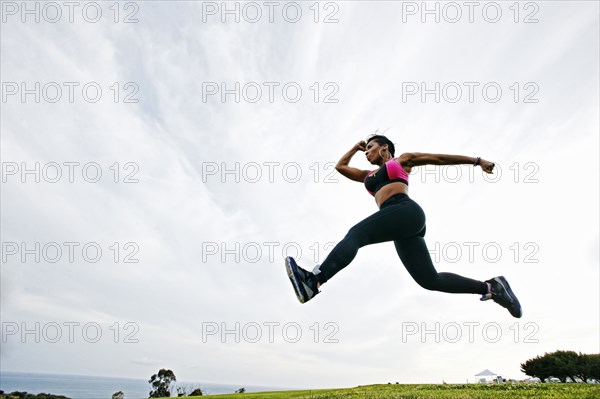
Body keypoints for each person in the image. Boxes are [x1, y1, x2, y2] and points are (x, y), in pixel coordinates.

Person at [284, 134, 522, 318]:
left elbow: (439, 159)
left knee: (356, 234)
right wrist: (354, 148)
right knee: (429, 280)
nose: (366, 153)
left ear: (384, 148)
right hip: (399, 223)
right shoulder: (368, 175)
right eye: (365, 149)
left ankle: (314, 281)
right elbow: (341, 167)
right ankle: (492, 287)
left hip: (405, 211)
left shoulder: (401, 161)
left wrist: (478, 161)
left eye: (369, 148)